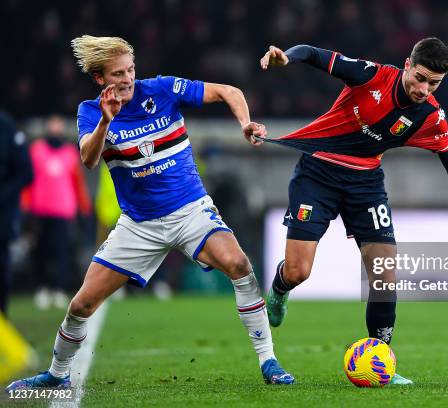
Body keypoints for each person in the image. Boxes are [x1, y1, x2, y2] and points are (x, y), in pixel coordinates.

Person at [6, 35, 293, 391]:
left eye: (130, 70)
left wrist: (245, 124)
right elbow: (89, 159)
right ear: (99, 79)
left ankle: (269, 360)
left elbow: (229, 91)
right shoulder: (90, 112)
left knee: (239, 265)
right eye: (117, 74)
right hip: (138, 225)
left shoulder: (162, 89)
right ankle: (57, 374)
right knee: (81, 304)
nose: (127, 79)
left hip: (191, 211)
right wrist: (105, 123)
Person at [259, 38, 448, 385]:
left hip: (365, 184)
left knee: (384, 274)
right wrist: (287, 58)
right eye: (420, 78)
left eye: (433, 83)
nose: (423, 89)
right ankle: (280, 288)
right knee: (299, 271)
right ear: (407, 64)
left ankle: (379, 362)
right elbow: (316, 55)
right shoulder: (371, 76)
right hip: (318, 173)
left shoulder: (430, 117)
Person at [21, 115, 92, 310]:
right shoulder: (36, 150)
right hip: (40, 209)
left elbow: (77, 184)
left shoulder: (70, 153)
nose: (55, 129)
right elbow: (28, 181)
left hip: (63, 209)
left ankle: (59, 288)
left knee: (61, 251)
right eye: (52, 125)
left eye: (58, 125)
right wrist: (26, 206)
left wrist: (83, 208)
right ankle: (42, 288)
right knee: (41, 251)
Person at [0, 111, 33, 317]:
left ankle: (2, 317)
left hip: (3, 213)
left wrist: (3, 196)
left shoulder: (7, 127)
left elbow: (26, 173)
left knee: (1, 263)